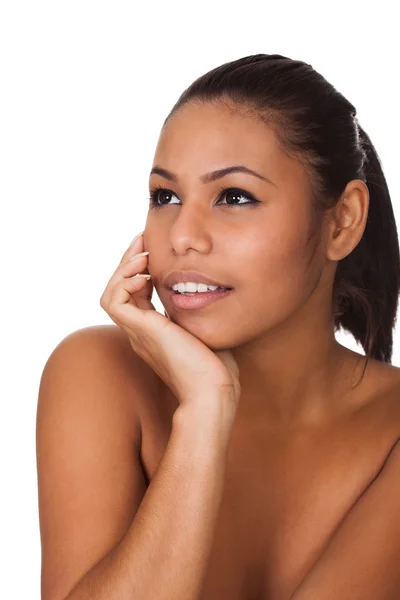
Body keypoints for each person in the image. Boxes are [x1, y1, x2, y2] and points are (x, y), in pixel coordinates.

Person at [37, 54, 400, 600]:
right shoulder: (97, 374)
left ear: (342, 220)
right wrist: (205, 412)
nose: (182, 235)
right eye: (166, 197)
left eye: (234, 197)